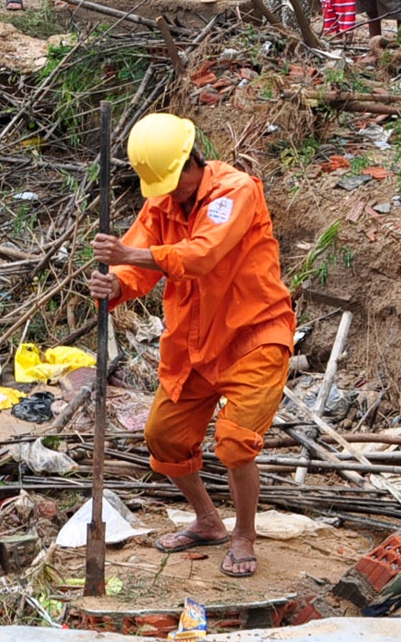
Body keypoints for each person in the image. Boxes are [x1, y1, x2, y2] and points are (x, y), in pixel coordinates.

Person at [89, 113, 296, 580]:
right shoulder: (162, 203)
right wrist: (115, 283)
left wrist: (127, 255)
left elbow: (202, 255)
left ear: (192, 162)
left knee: (236, 443)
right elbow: (136, 264)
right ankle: (207, 521)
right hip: (194, 342)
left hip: (253, 336)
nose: (168, 194)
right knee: (164, 437)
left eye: (172, 184)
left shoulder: (234, 192)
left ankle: (244, 535)